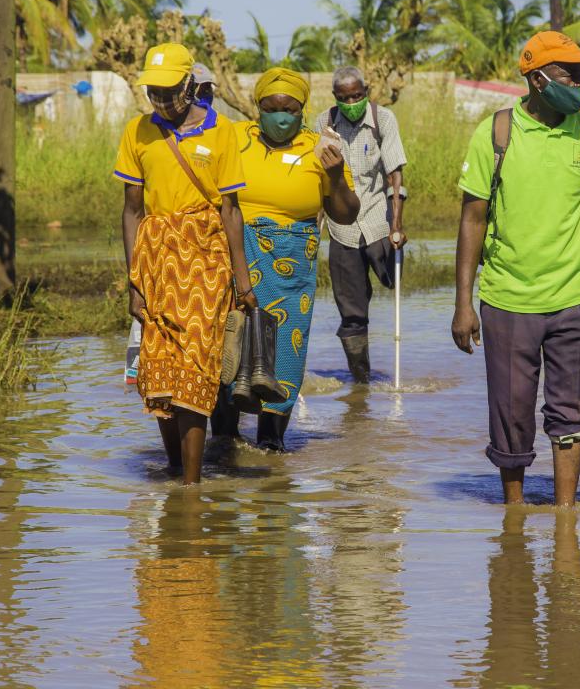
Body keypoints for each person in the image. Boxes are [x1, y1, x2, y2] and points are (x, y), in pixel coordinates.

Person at [451, 31, 580, 507]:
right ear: (537, 79)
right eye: (569, 74)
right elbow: (472, 218)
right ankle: (513, 518)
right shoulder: (496, 134)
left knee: (571, 411)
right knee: (511, 416)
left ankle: (565, 516)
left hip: (576, 300)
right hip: (508, 302)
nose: (579, 82)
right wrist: (463, 304)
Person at [115, 43, 256, 485]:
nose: (160, 100)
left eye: (168, 90)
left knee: (195, 369)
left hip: (206, 262)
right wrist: (135, 281)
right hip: (156, 263)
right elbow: (132, 211)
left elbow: (231, 211)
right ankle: (175, 470)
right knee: (158, 370)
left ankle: (191, 489)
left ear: (190, 84)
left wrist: (242, 276)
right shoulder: (137, 133)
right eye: (153, 92)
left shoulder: (222, 131)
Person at [210, 68, 360, 451]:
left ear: (302, 110)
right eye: (271, 108)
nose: (281, 117)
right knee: (229, 347)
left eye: (290, 109)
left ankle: (270, 445)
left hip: (292, 266)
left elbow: (346, 214)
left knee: (284, 354)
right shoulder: (235, 138)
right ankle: (225, 444)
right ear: (257, 109)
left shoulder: (321, 148)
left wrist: (336, 175)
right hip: (235, 258)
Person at [318, 66, 408, 383]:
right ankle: (361, 381)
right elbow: (319, 182)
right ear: (336, 98)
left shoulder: (383, 120)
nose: (352, 101)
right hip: (342, 229)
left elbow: (395, 175)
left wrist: (397, 223)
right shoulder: (325, 124)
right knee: (353, 313)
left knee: (392, 281)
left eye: (357, 95)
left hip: (378, 221)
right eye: (345, 97)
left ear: (366, 91)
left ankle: (388, 266)